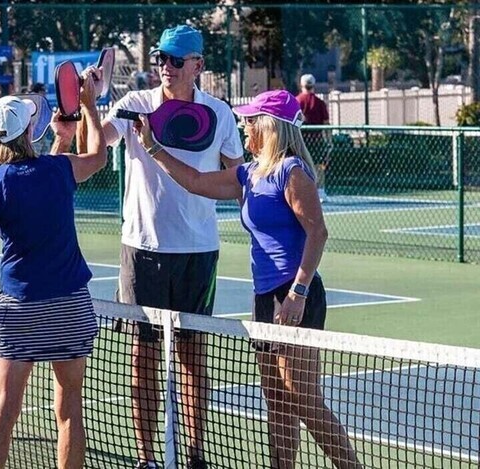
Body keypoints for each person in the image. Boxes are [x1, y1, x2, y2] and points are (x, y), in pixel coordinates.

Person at [142, 89, 362, 469]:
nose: (244, 126)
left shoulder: (291, 172)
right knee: (277, 401)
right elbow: (195, 180)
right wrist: (153, 148)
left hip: (295, 295)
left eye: (250, 120)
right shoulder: (248, 174)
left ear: (268, 126)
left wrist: (298, 292)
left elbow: (318, 232)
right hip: (264, 298)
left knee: (303, 399)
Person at [94, 25, 245, 469]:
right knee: (142, 356)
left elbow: (238, 176)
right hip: (142, 248)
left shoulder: (219, 114)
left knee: (193, 356)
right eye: (161, 58)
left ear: (198, 65)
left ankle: (194, 455)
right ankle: (147, 459)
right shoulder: (135, 104)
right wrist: (84, 105)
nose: (166, 66)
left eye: (177, 60)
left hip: (199, 251)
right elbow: (97, 145)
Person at [0, 69, 105, 469]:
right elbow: (99, 157)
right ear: (28, 131)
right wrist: (89, 107)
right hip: (69, 305)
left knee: (4, 406)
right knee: (69, 405)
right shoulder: (59, 169)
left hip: (19, 310)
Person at [296, 74, 331, 203]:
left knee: (299, 165)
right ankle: (320, 192)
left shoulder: (296, 101)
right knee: (318, 166)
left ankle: (301, 191)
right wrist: (329, 140)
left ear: (301, 85)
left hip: (300, 141)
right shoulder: (320, 103)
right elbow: (326, 123)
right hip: (317, 140)